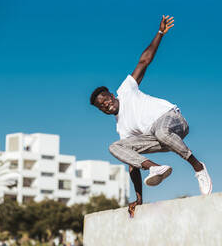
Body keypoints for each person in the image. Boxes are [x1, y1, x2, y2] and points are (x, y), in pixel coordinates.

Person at [90, 15, 212, 217]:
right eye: (102, 107)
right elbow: (132, 164)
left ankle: (198, 168)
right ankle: (156, 168)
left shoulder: (126, 89)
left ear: (112, 95)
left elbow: (144, 61)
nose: (107, 105)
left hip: (172, 120)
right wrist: (139, 199)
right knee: (115, 147)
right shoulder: (122, 128)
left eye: (106, 100)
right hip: (162, 140)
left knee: (160, 131)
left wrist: (160, 33)